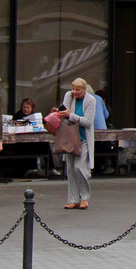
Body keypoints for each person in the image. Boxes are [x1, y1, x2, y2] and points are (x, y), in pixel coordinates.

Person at [52, 77, 96, 209]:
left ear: (85, 89)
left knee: (79, 168)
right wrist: (60, 113)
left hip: (83, 138)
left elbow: (88, 121)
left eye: (78, 89)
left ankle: (85, 197)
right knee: (70, 169)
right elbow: (64, 111)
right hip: (70, 138)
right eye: (73, 89)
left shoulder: (91, 100)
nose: (74, 92)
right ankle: (73, 199)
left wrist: (70, 115)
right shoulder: (69, 96)